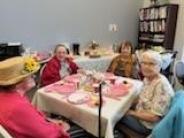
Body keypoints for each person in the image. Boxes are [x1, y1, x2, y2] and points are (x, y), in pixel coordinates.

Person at [0, 57, 69, 138]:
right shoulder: (18, 107)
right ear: (16, 83)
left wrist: (49, 121)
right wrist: (60, 128)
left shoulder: (7, 97)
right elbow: (45, 134)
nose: (34, 76)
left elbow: (31, 121)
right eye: (30, 75)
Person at [118, 50, 174, 136]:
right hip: (141, 113)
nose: (146, 67)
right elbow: (142, 97)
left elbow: (154, 117)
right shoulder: (147, 78)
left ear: (159, 66)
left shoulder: (162, 85)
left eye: (151, 64)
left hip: (147, 126)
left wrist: (130, 112)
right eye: (143, 63)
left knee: (116, 115)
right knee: (119, 106)